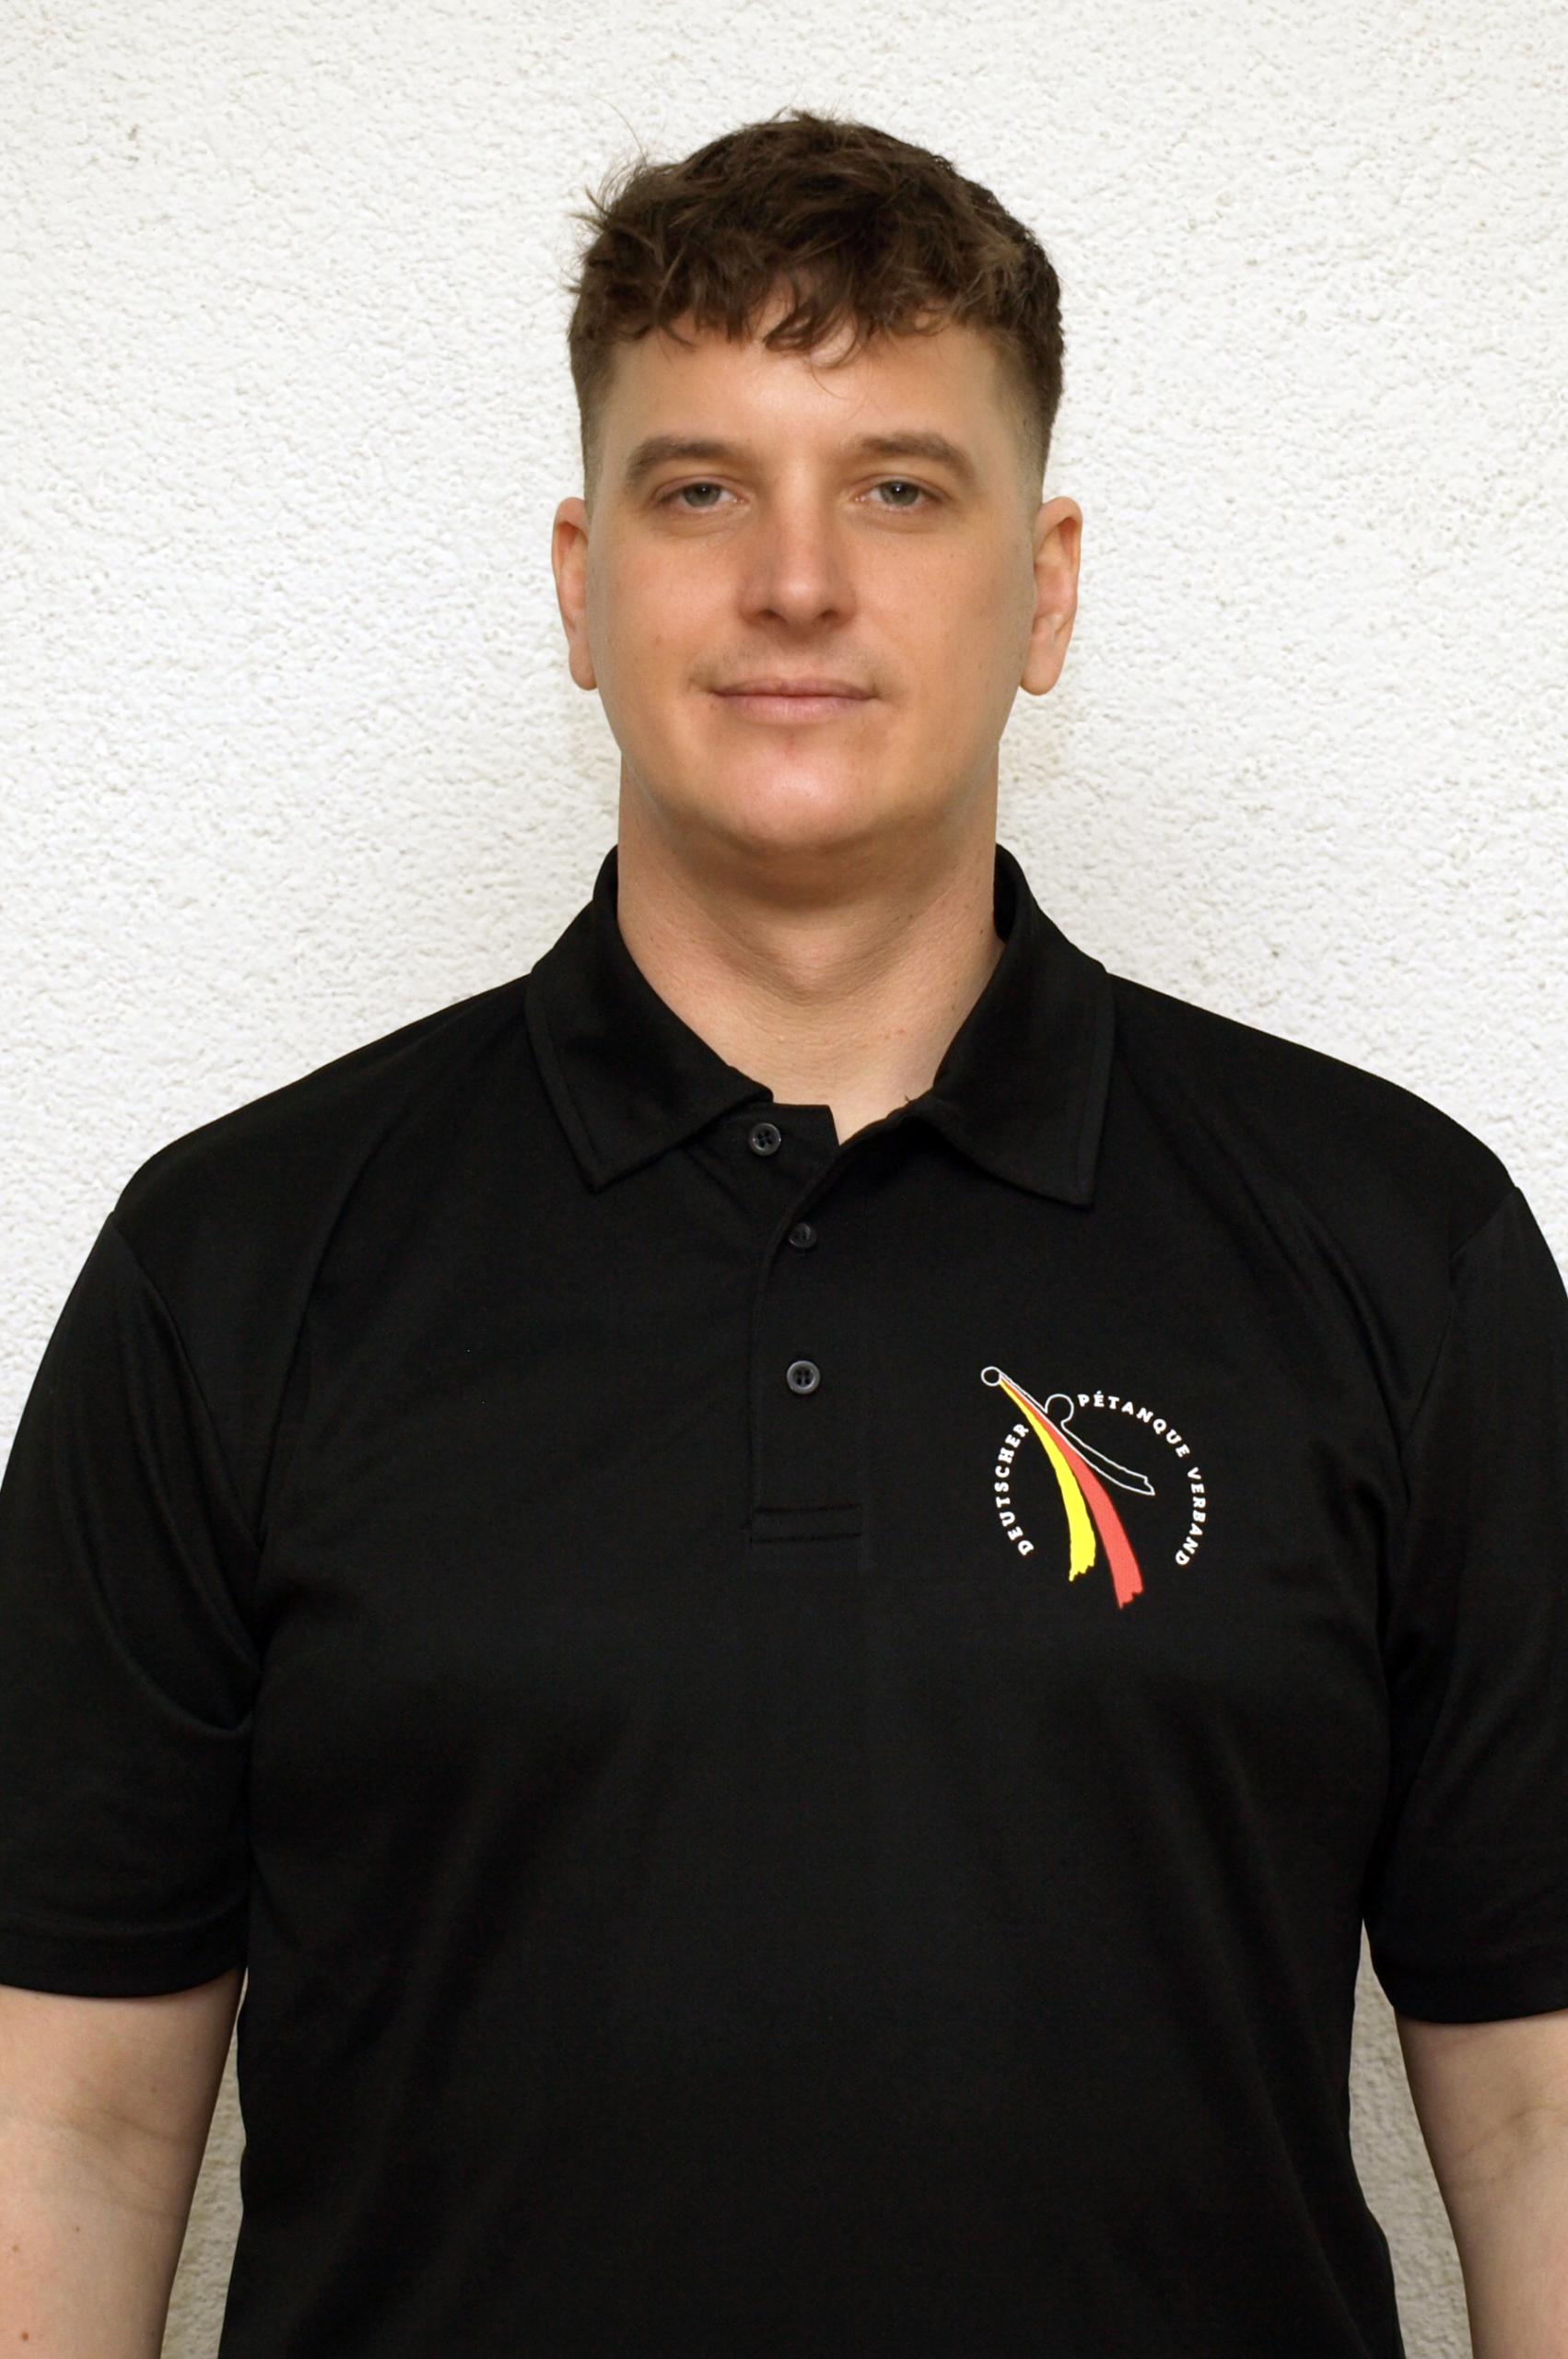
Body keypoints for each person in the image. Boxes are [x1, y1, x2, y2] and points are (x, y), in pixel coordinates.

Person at [2, 105, 1565, 2359]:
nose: (796, 580)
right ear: (581, 582)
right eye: (700, 488)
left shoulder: (1397, 1247)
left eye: (899, 487)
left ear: (1042, 587)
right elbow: (67, 2121)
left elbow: (1531, 2107)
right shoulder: (234, 1263)